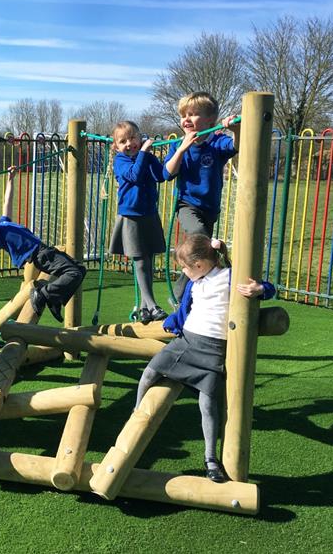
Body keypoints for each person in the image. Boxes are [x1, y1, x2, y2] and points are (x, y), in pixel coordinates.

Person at [134, 234, 275, 483]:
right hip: (186, 342)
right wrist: (171, 323)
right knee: (149, 372)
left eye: (185, 269)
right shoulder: (195, 282)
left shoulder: (228, 277)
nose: (185, 274)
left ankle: (210, 458)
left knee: (208, 403)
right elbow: (186, 309)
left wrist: (261, 289)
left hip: (213, 352)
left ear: (199, 265)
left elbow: (268, 288)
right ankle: (136, 415)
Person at [0, 166, 86, 322]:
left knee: (80, 269)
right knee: (74, 273)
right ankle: (44, 294)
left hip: (43, 251)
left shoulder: (1, 228)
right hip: (40, 254)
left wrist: (11, 179)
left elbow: (7, 204)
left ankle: (55, 300)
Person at [162, 91, 240, 301]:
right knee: (200, 238)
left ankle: (197, 295)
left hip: (209, 208)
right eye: (183, 115)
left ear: (209, 120)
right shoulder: (178, 144)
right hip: (187, 205)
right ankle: (178, 296)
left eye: (193, 114)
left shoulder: (216, 142)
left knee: (203, 253)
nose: (186, 119)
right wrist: (182, 149)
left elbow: (236, 146)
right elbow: (167, 173)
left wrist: (236, 130)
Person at [108, 121, 168, 323]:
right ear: (116, 146)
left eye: (133, 137)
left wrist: (177, 150)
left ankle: (144, 308)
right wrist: (143, 153)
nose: (129, 143)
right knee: (140, 260)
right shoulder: (120, 160)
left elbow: (162, 176)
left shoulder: (148, 158)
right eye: (122, 141)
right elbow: (134, 175)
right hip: (131, 215)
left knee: (148, 261)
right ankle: (153, 305)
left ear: (140, 137)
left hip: (149, 213)